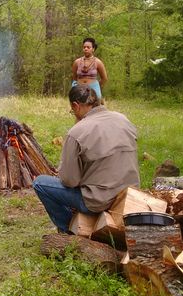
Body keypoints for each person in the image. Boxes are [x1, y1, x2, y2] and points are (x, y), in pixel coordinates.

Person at [32, 85, 140, 233]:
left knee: (40, 183)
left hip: (100, 201)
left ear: (76, 106)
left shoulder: (77, 132)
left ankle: (69, 229)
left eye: (72, 111)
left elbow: (70, 181)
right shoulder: (123, 119)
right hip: (130, 194)